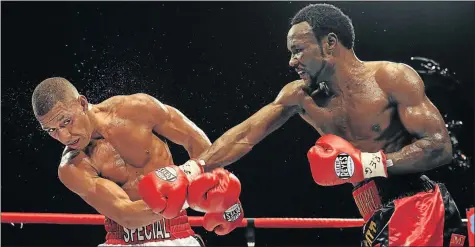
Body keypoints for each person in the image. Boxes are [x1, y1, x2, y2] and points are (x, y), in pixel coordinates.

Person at [182, 4, 468, 247]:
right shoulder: (301, 96)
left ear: (330, 43)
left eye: (299, 50)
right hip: (377, 214)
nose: (292, 61)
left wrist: (366, 164)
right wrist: (188, 169)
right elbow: (245, 135)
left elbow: (440, 147)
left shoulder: (390, 78)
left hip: (419, 207)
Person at [31, 77, 243, 246]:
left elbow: (193, 139)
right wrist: (196, 196)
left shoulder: (137, 109)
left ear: (83, 103)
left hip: (176, 234)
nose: (65, 136)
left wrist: (219, 186)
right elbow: (126, 215)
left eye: (66, 121)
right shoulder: (71, 166)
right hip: (122, 241)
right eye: (51, 130)